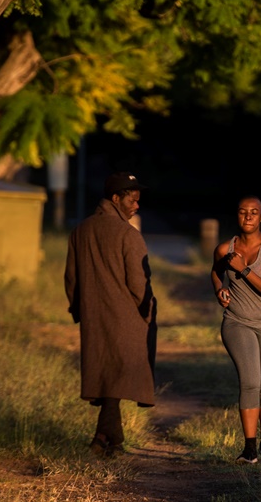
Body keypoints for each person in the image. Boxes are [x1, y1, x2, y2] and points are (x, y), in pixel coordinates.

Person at [64, 171, 157, 458]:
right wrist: (148, 314)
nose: (136, 206)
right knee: (117, 375)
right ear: (115, 199)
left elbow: (71, 279)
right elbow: (138, 283)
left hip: (93, 316)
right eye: (132, 200)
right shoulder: (129, 235)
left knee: (108, 376)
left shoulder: (81, 230)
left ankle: (110, 439)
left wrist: (80, 310)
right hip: (127, 317)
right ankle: (105, 438)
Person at [210, 195, 261, 465]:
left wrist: (243, 270)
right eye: (243, 212)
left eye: (253, 213)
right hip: (238, 322)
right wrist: (219, 289)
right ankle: (249, 449)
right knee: (250, 382)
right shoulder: (225, 249)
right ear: (237, 215)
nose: (247, 217)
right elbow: (215, 272)